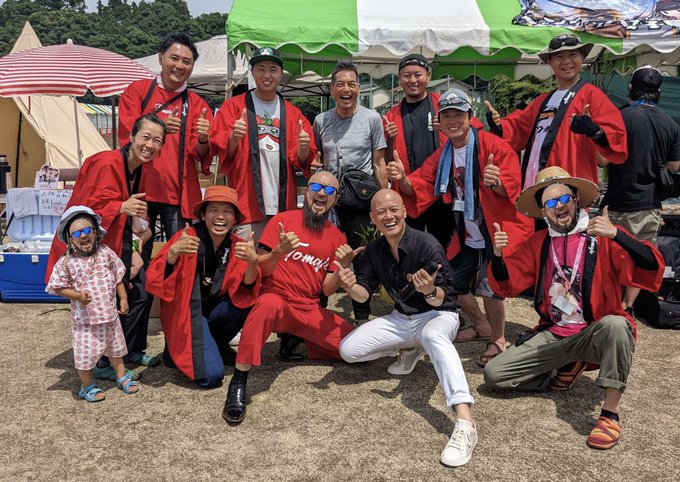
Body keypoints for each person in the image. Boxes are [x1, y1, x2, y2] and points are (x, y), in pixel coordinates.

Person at [484, 166, 664, 450]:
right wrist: (497, 255)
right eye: (551, 203)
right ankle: (563, 366)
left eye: (564, 198)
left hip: (593, 332)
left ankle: (610, 414)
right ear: (544, 212)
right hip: (554, 333)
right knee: (494, 375)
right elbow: (507, 283)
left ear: (576, 199)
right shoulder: (540, 243)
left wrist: (617, 235)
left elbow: (650, 266)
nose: (559, 206)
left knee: (617, 325)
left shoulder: (600, 236)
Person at [388, 88, 533, 367]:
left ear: (470, 116)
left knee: (490, 285)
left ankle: (498, 340)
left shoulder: (494, 146)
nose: (452, 121)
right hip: (468, 229)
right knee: (451, 282)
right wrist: (403, 178)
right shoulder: (444, 154)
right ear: (440, 121)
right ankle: (481, 324)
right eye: (446, 116)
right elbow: (420, 183)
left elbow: (514, 190)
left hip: (498, 227)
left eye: (458, 114)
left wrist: (495, 183)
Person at [337, 189, 477, 467]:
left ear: (404, 211)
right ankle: (412, 348)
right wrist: (349, 286)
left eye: (394, 210)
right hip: (402, 318)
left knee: (432, 335)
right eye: (381, 212)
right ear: (372, 218)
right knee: (348, 350)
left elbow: (445, 298)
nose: (388, 216)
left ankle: (465, 422)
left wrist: (428, 291)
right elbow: (363, 294)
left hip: (438, 315)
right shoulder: (375, 249)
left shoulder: (427, 244)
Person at [222, 171, 360, 424]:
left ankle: (295, 340)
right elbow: (261, 269)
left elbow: (327, 290)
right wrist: (279, 251)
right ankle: (239, 381)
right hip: (278, 301)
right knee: (267, 304)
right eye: (316, 187)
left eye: (330, 191)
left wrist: (341, 269)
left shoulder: (337, 236)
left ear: (336, 199)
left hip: (308, 309)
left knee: (357, 349)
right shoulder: (282, 221)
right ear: (306, 191)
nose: (322, 193)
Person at [46, 114, 167, 379]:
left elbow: (135, 209)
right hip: (91, 246)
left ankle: (129, 349)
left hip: (118, 241)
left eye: (157, 141)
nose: (150, 145)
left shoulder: (140, 168)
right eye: (146, 137)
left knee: (141, 294)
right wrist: (121, 206)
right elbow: (83, 210)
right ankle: (102, 362)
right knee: (106, 302)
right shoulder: (106, 162)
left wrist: (140, 232)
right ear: (131, 136)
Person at [145, 186, 260, 387]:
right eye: (214, 210)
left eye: (227, 211)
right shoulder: (185, 238)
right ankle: (179, 348)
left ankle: (216, 345)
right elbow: (154, 280)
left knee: (248, 303)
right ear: (204, 215)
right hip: (187, 313)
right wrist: (173, 253)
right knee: (212, 377)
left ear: (235, 219)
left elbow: (247, 288)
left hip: (213, 310)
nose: (220, 217)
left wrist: (253, 262)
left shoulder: (237, 244)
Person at [485, 34, 627, 188]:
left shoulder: (593, 96)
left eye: (573, 55)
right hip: (536, 187)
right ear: (549, 62)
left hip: (571, 190)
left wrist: (595, 132)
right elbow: (517, 129)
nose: (567, 61)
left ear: (582, 58)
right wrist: (498, 126)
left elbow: (608, 154)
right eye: (559, 56)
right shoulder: (541, 101)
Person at [118, 33, 214, 258]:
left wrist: (203, 138)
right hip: (139, 190)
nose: (179, 65)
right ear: (161, 58)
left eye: (186, 61)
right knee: (135, 255)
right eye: (174, 58)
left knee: (179, 257)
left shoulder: (197, 104)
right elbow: (127, 137)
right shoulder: (137, 92)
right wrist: (159, 127)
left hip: (178, 195)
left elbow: (201, 155)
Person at [211, 47, 317, 241]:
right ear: (252, 73)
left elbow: (302, 161)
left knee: (280, 258)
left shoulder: (294, 114)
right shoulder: (233, 107)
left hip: (283, 207)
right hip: (246, 206)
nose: (267, 75)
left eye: (273, 69)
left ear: (281, 74)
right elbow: (221, 151)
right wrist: (233, 137)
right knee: (246, 257)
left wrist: (303, 148)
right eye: (261, 69)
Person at [600, 65, 680, 311]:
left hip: (619, 200)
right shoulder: (670, 124)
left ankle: (612, 303)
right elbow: (675, 166)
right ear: (658, 92)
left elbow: (603, 160)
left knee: (612, 255)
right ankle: (628, 304)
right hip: (650, 203)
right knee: (642, 255)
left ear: (630, 88)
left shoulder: (621, 118)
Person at [383, 53, 483, 248]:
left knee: (448, 249)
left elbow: (475, 134)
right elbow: (388, 161)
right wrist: (390, 139)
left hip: (446, 194)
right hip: (411, 194)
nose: (413, 80)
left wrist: (449, 127)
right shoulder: (391, 116)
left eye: (418, 75)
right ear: (399, 79)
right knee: (412, 249)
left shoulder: (445, 106)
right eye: (407, 75)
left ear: (428, 76)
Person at [313, 60, 387, 322]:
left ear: (359, 89)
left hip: (361, 200)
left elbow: (379, 162)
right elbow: (317, 159)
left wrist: (382, 201)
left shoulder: (372, 119)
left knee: (362, 256)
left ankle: (362, 315)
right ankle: (316, 312)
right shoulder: (321, 120)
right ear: (332, 89)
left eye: (352, 84)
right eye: (341, 84)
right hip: (328, 201)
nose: (346, 89)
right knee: (322, 254)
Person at [46, 206, 139, 401]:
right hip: (86, 322)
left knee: (116, 350)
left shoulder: (105, 253)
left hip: (110, 316)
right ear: (70, 240)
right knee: (85, 355)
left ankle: (121, 377)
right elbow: (57, 286)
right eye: (77, 233)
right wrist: (77, 296)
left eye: (87, 230)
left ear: (96, 233)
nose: (83, 235)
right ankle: (87, 385)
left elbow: (117, 277)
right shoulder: (66, 262)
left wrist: (123, 298)